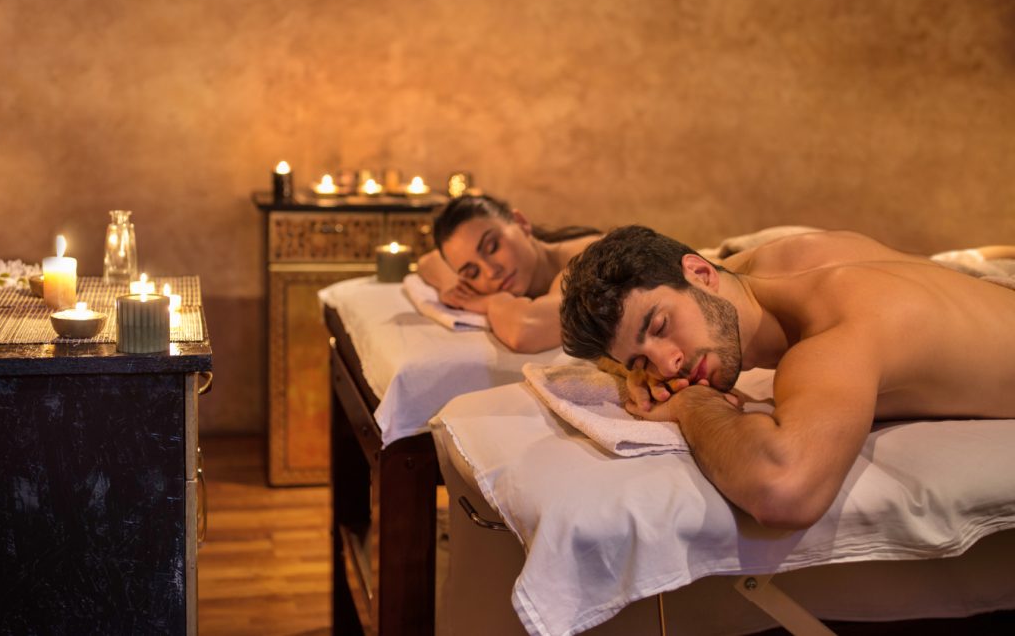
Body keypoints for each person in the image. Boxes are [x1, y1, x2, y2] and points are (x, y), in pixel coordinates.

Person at [560, 226, 1015, 529]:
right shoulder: (779, 261)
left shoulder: (831, 336)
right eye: (641, 361)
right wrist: (629, 365)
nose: (667, 365)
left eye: (660, 327)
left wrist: (689, 404)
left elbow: (783, 491)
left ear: (700, 274)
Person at [417, 194, 600, 353]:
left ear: (520, 222)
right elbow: (429, 261)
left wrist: (484, 301)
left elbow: (525, 331)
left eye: (492, 247)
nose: (490, 272)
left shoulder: (587, 260)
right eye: (472, 273)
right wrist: (452, 288)